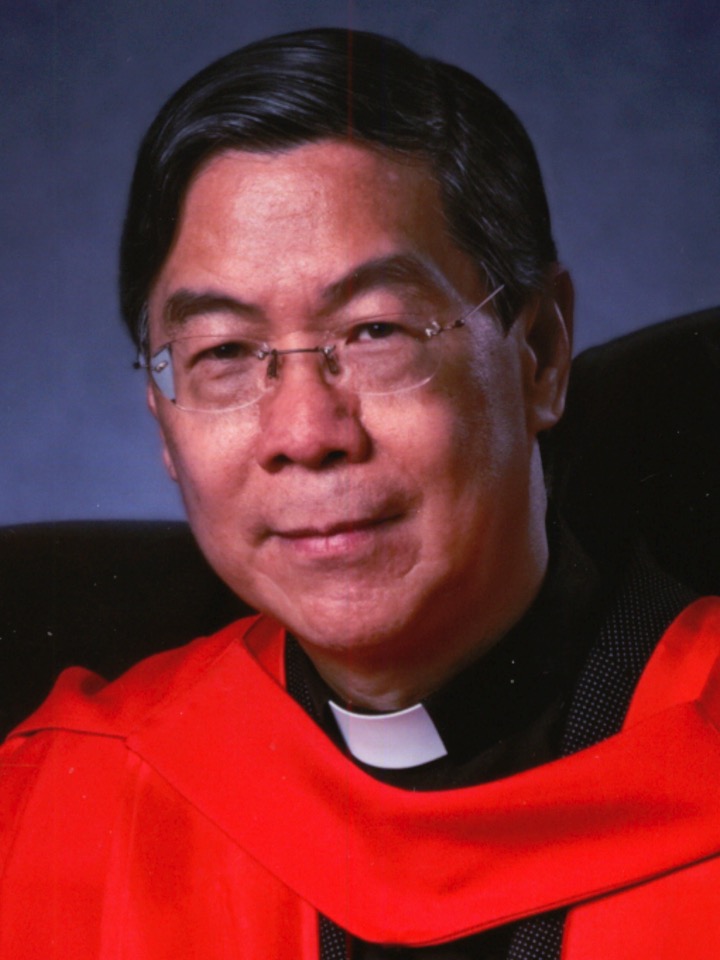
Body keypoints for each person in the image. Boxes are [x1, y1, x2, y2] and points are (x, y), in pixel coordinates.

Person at [2, 27, 720, 960]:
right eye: (225, 352)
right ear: (163, 419)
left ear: (541, 354)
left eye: (376, 330)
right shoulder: (67, 804)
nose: (306, 433)